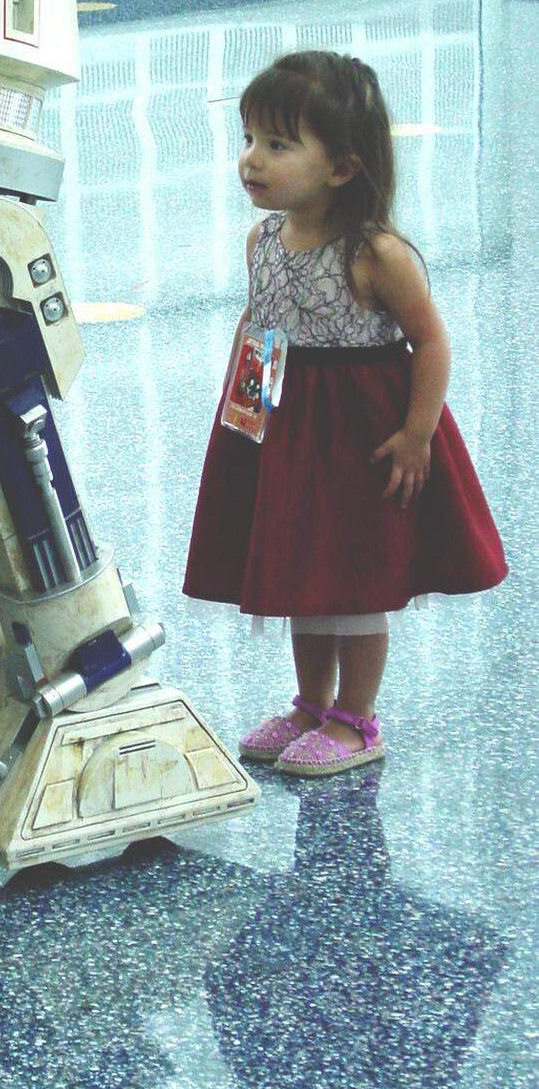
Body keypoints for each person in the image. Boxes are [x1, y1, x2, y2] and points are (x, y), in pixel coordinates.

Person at [182, 51, 506, 777]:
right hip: (288, 422)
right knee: (304, 565)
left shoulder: (376, 254)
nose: (251, 161)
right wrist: (244, 414)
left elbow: (431, 342)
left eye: (278, 144)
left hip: (359, 433)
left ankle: (357, 718)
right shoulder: (262, 241)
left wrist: (418, 433)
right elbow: (259, 324)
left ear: (341, 167)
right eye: (249, 140)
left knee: (355, 573)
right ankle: (309, 703)